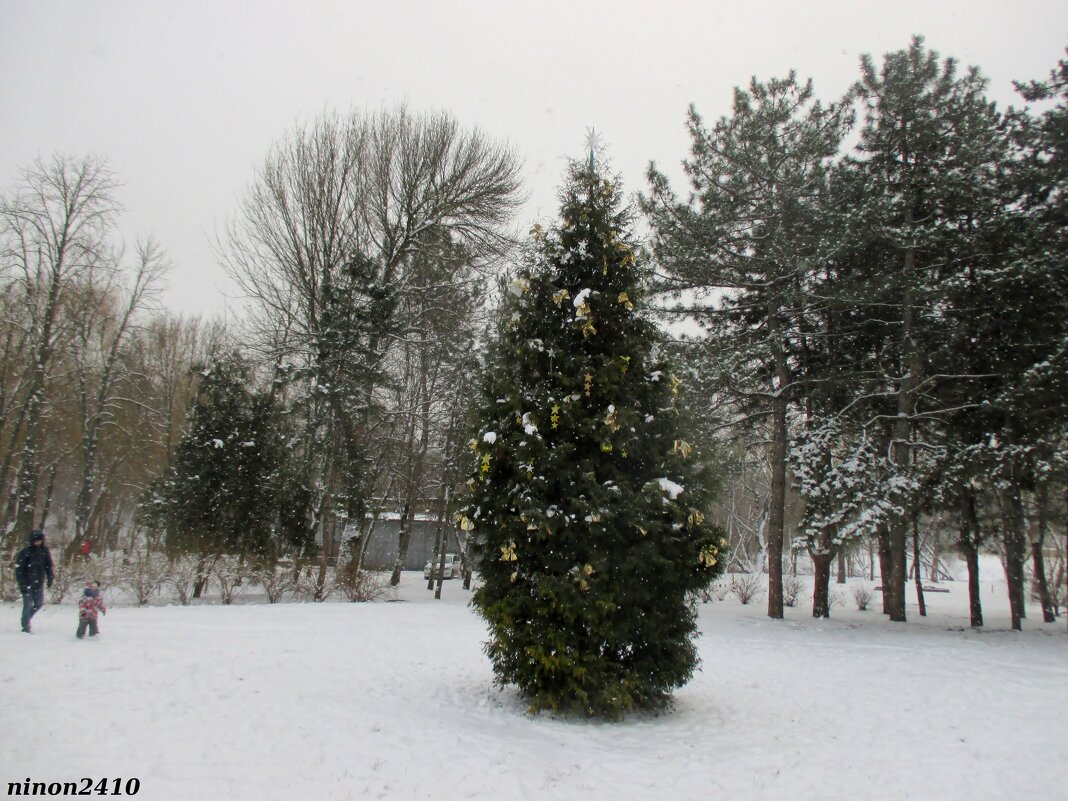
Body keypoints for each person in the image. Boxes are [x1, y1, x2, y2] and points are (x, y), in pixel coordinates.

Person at [15, 529, 54, 633]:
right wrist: (22, 583)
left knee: (38, 604)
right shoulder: (25, 552)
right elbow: (19, 569)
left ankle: (26, 619)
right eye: (36, 541)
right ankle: (26, 626)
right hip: (27, 583)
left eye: (40, 541)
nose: (38, 542)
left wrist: (50, 577)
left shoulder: (45, 551)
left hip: (39, 582)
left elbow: (48, 566)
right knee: (27, 604)